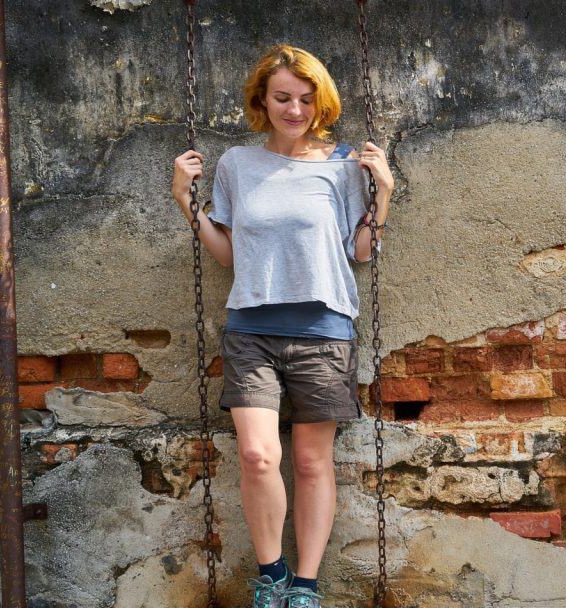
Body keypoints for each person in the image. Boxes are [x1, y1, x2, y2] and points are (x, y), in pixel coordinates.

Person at [170, 44, 393, 608]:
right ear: (261, 101)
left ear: (320, 102)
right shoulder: (238, 166)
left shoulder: (344, 164)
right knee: (257, 456)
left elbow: (361, 251)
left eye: (305, 98)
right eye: (282, 98)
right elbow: (225, 255)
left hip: (324, 328)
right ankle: (271, 574)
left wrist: (382, 192)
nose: (295, 109)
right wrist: (186, 203)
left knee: (312, 461)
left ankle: (306, 586)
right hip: (251, 329)